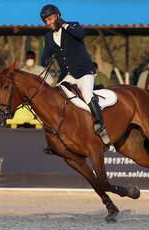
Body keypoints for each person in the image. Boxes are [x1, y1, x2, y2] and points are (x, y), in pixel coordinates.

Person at [40, 4, 109, 144]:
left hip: (84, 71)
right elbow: (44, 57)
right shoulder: (48, 37)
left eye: (50, 19)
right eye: (45, 21)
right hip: (67, 74)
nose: (48, 23)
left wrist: (64, 24)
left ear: (58, 16)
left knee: (88, 95)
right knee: (55, 99)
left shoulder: (72, 25)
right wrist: (47, 60)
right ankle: (54, 136)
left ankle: (100, 126)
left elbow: (81, 34)